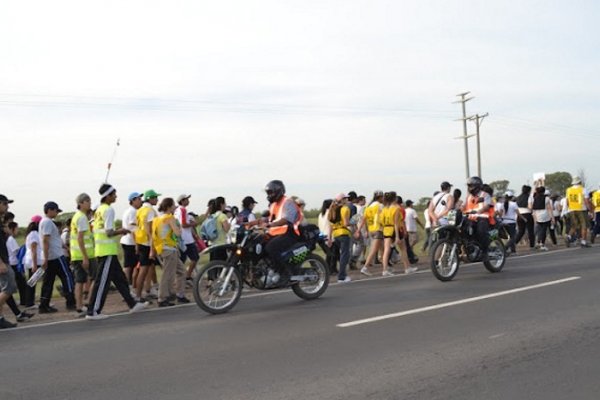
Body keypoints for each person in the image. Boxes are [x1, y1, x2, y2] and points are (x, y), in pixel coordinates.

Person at [86, 184, 147, 320]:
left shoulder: (99, 210)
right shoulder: (108, 210)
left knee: (120, 279)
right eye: (114, 194)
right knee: (102, 282)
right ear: (108, 196)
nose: (116, 197)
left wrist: (117, 229)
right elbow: (108, 232)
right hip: (106, 251)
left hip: (106, 251)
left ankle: (132, 304)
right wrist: (122, 230)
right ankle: (93, 311)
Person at [38, 201, 76, 313]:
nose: (57, 213)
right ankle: (71, 302)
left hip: (51, 256)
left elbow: (54, 239)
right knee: (67, 277)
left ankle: (43, 305)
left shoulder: (45, 222)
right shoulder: (48, 222)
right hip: (56, 256)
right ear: (49, 210)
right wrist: (45, 257)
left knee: (48, 282)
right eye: (55, 211)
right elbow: (46, 240)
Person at [153, 197, 189, 307]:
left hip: (162, 248)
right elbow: (177, 233)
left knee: (181, 271)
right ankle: (162, 297)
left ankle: (177, 294)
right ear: (169, 207)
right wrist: (178, 227)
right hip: (169, 249)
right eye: (173, 205)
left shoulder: (157, 219)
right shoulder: (170, 218)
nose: (175, 207)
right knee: (167, 274)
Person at [263, 180, 303, 278]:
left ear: (278, 191)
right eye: (268, 193)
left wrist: (271, 225)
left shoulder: (288, 202)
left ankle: (284, 272)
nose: (269, 195)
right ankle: (269, 269)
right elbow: (268, 219)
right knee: (260, 243)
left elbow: (287, 219)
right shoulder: (274, 205)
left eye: (270, 192)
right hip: (278, 233)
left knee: (271, 247)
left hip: (290, 233)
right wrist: (250, 224)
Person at [70, 193, 96, 316]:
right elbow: (80, 238)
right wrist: (85, 257)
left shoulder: (77, 216)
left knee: (80, 281)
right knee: (94, 278)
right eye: (87, 201)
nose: (89, 203)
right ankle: (89, 304)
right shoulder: (81, 218)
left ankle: (79, 306)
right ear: (81, 203)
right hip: (85, 255)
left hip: (77, 254)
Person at [134, 189, 161, 302]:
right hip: (147, 243)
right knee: (144, 270)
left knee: (148, 268)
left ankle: (146, 291)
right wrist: (152, 248)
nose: (157, 200)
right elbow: (150, 230)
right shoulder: (150, 210)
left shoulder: (140, 210)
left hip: (141, 241)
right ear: (150, 198)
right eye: (155, 197)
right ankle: (138, 296)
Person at [6, 221, 34, 322]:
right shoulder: (10, 239)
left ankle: (19, 312)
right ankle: (24, 303)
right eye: (17, 228)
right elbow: (16, 252)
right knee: (10, 289)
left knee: (9, 291)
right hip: (12, 265)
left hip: (10, 265)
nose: (18, 231)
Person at [356, 190, 384, 276]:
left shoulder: (369, 207)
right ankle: (365, 267)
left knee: (383, 249)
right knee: (374, 250)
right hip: (378, 229)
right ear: (379, 197)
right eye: (382, 197)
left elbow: (364, 220)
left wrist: (358, 230)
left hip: (371, 230)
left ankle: (386, 266)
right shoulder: (380, 206)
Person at [0, 194, 18, 328]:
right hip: (2, 261)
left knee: (4, 288)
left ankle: (0, 319)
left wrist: (5, 224)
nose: (7, 207)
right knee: (10, 287)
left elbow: (9, 235)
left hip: (4, 258)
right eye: (5, 204)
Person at [174, 194, 200, 285]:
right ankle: (187, 276)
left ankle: (179, 279)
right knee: (195, 258)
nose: (188, 201)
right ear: (183, 200)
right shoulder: (183, 210)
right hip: (187, 239)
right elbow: (184, 224)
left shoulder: (176, 210)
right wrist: (193, 224)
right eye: (187, 199)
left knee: (182, 260)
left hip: (181, 239)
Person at [462, 177, 492, 254]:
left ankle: (485, 251)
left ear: (477, 186)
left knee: (481, 232)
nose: (469, 188)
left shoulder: (485, 195)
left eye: (471, 186)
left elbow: (487, 206)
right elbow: (463, 206)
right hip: (470, 218)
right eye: (468, 186)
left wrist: (478, 211)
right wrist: (458, 209)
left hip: (482, 217)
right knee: (461, 228)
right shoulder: (468, 196)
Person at [120, 192, 142, 288]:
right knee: (129, 266)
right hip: (130, 242)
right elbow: (133, 229)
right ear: (133, 200)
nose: (141, 201)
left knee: (131, 265)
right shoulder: (133, 212)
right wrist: (137, 244)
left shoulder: (129, 211)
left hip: (128, 241)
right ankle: (127, 286)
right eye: (138, 199)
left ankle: (129, 285)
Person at [328, 193, 352, 283]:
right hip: (344, 233)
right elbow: (346, 223)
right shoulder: (345, 209)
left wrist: (329, 238)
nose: (347, 200)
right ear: (342, 200)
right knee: (344, 256)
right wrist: (353, 222)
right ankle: (342, 276)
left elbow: (331, 226)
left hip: (335, 234)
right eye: (345, 198)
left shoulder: (332, 210)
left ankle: (342, 275)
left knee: (341, 255)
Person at [566, 176, 592, 247]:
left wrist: (570, 208)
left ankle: (568, 237)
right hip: (581, 209)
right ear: (580, 182)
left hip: (572, 209)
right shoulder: (583, 189)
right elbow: (586, 201)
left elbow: (567, 201)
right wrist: (589, 210)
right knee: (584, 225)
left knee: (574, 225)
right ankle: (583, 241)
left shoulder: (568, 190)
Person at [23, 215, 43, 308]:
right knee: (32, 282)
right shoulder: (34, 234)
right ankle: (30, 302)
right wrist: (34, 264)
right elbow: (33, 250)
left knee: (32, 281)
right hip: (34, 261)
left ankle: (30, 301)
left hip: (33, 260)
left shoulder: (31, 234)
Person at [530, 187, 555, 251]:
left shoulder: (534, 198)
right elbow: (549, 209)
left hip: (537, 216)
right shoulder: (546, 198)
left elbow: (533, 208)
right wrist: (552, 217)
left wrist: (534, 218)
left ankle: (538, 242)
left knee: (540, 230)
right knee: (544, 231)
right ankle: (541, 244)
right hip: (545, 216)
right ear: (544, 192)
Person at [318, 199, 336, 274]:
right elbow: (330, 226)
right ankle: (329, 269)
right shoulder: (330, 213)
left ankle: (328, 269)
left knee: (329, 254)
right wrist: (330, 238)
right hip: (329, 235)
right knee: (332, 255)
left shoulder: (321, 214)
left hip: (322, 235)